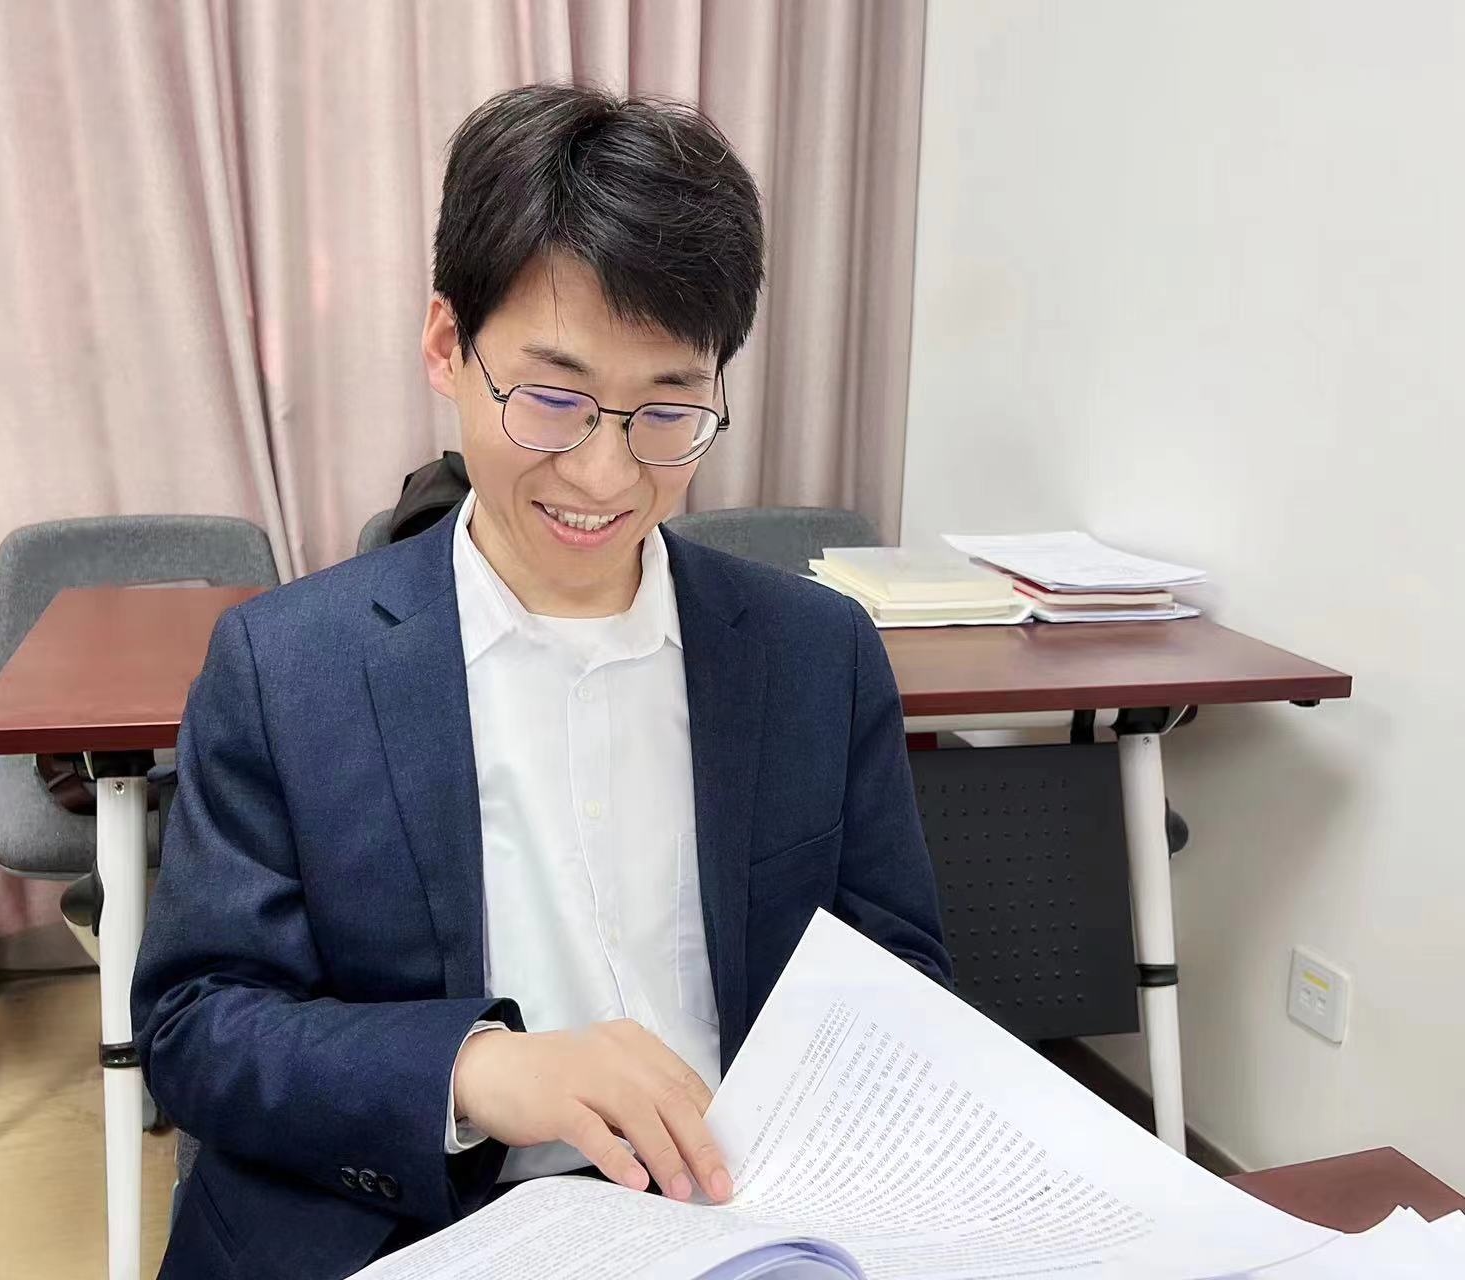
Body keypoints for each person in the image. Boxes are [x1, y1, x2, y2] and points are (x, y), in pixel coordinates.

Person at [132, 83, 951, 1280]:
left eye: (667, 407)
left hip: (738, 1223)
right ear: (446, 347)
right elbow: (197, 1022)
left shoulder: (815, 654)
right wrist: (475, 1068)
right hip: (416, 1224)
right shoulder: (285, 666)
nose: (606, 474)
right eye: (555, 398)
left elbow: (896, 978)